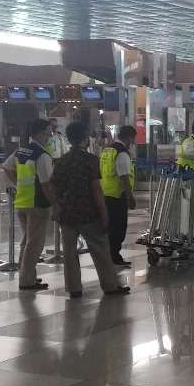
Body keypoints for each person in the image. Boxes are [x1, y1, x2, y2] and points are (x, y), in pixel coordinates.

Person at [53, 122, 130, 299]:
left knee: (70, 254)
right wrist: (104, 214)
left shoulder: (62, 161)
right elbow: (96, 190)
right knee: (100, 249)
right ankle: (110, 285)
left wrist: (58, 206)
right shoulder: (90, 160)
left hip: (67, 214)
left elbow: (54, 186)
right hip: (88, 213)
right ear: (85, 138)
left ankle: (74, 289)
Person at [3, 119, 58, 291]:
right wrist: (55, 204)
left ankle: (28, 276)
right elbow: (46, 184)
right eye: (49, 131)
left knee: (27, 242)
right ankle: (26, 281)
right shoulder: (42, 155)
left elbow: (6, 167)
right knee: (34, 244)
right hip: (37, 204)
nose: (50, 135)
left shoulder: (22, 151)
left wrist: (18, 184)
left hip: (21, 202)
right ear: (40, 133)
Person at [99, 124, 137, 267]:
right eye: (133, 139)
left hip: (105, 193)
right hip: (117, 195)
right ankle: (114, 256)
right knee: (118, 229)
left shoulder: (107, 150)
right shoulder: (121, 153)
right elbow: (124, 177)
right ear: (129, 137)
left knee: (109, 227)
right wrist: (130, 197)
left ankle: (108, 255)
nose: (133, 143)